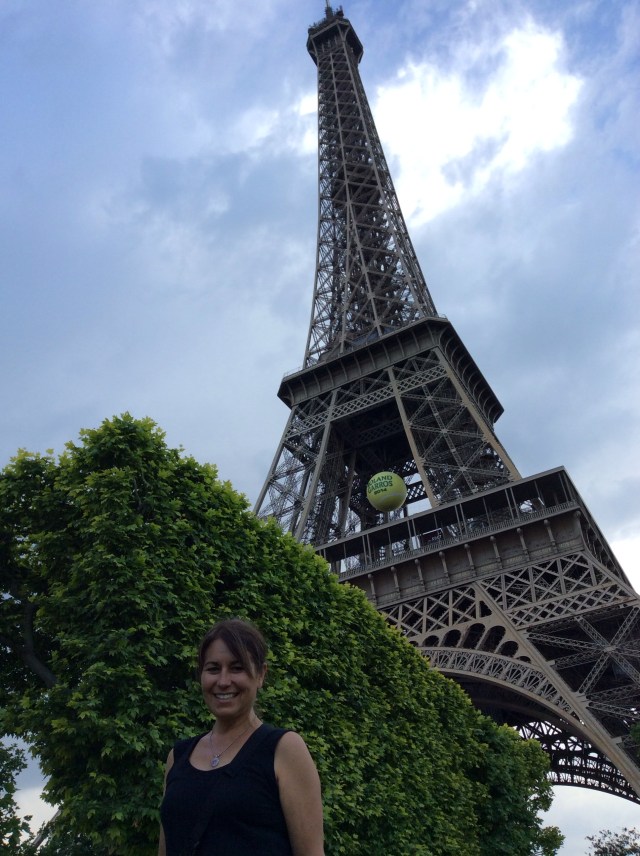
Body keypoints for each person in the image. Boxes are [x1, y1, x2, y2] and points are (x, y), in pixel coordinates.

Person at [159, 618, 324, 855]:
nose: (223, 681)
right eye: (213, 668)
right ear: (201, 675)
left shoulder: (284, 749)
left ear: (261, 675)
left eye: (237, 668)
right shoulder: (178, 757)